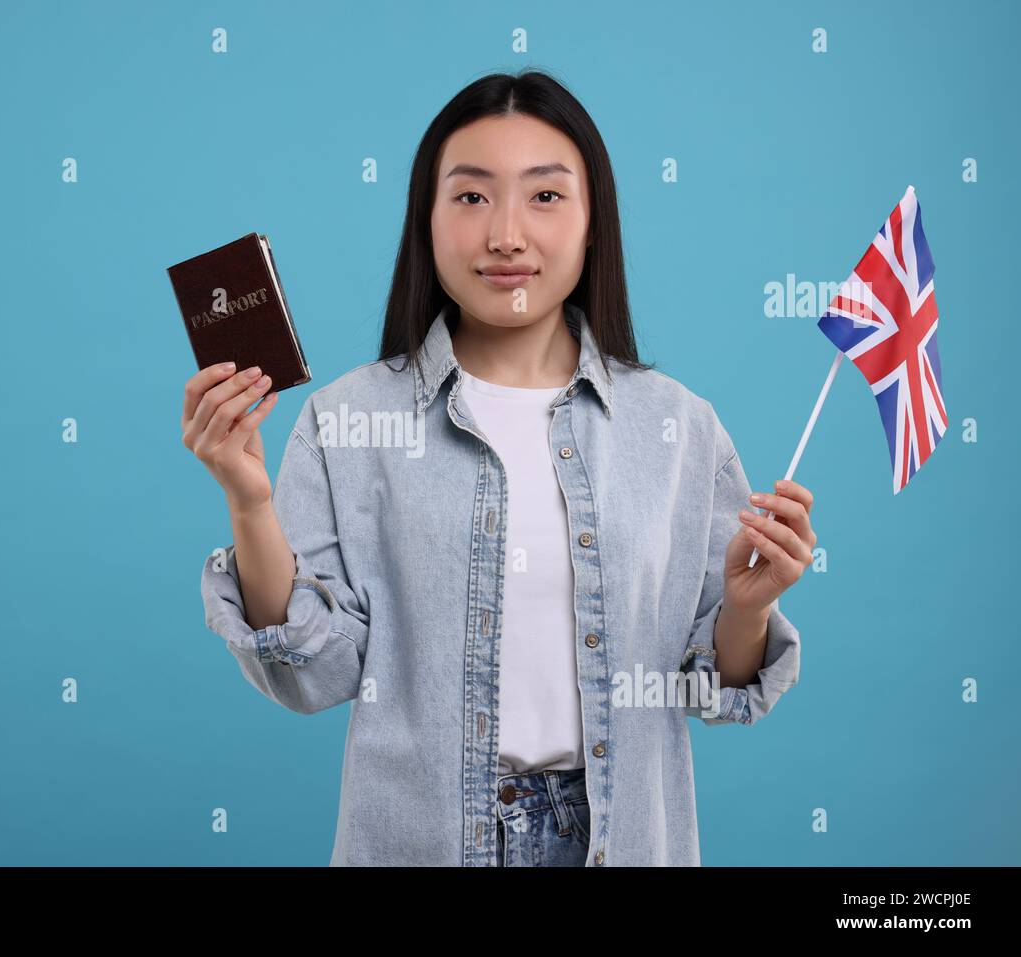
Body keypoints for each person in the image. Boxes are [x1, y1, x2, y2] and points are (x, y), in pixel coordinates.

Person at [182, 69, 814, 867]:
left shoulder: (677, 427)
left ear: (593, 224)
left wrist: (748, 610)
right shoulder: (348, 420)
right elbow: (314, 672)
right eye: (472, 197)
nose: (506, 235)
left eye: (545, 196)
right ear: (428, 220)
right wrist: (248, 500)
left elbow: (710, 688)